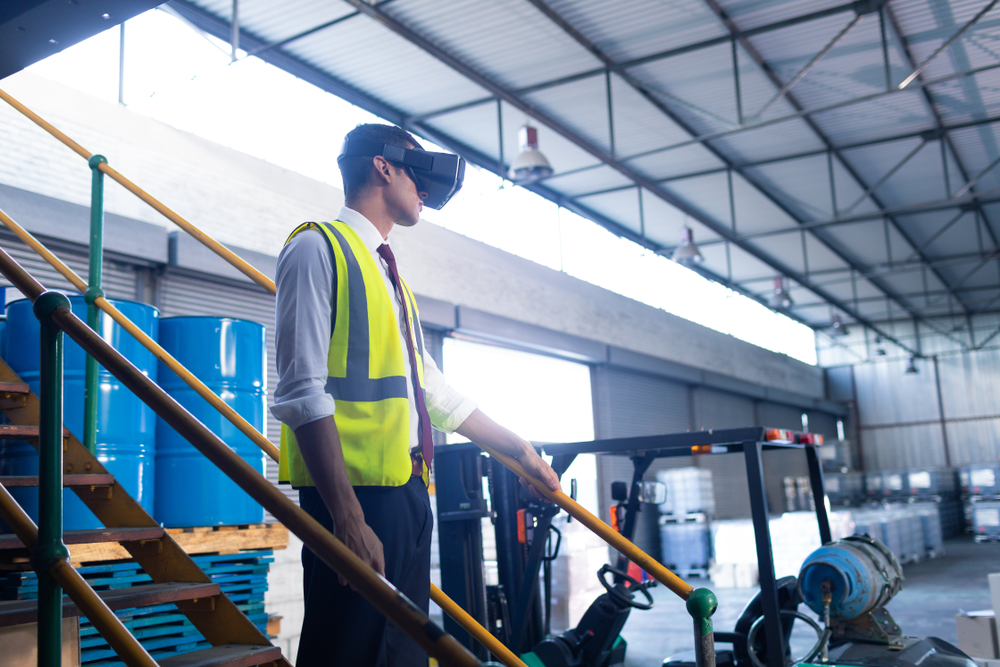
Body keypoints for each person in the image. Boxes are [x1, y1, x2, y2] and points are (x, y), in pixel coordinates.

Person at [271, 122, 561, 667]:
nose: (425, 191)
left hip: (406, 492)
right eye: (416, 175)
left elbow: (434, 392)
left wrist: (518, 450)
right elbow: (301, 389)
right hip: (354, 498)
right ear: (383, 167)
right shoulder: (315, 248)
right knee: (348, 652)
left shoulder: (392, 279)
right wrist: (347, 518)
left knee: (401, 652)